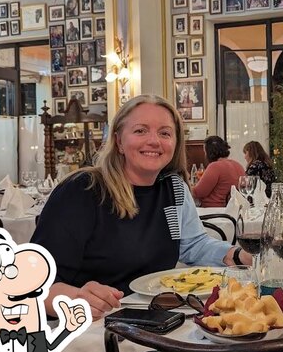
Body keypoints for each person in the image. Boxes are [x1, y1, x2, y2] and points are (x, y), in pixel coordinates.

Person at [32, 95, 250, 320]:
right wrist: (75, 298)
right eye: (140, 131)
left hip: (151, 320)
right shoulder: (81, 191)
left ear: (175, 144)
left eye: (165, 133)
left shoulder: (174, 188)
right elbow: (33, 283)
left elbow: (193, 245)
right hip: (86, 329)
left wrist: (238, 255)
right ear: (118, 141)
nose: (154, 141)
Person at [192, 136, 246, 207]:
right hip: (232, 212)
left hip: (213, 212)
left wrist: (186, 185)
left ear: (209, 152)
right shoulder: (238, 165)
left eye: (205, 152)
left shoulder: (215, 166)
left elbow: (198, 192)